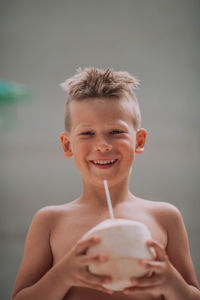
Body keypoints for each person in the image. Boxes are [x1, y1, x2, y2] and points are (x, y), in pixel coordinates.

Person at [12, 67, 200, 300]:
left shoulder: (165, 217)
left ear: (139, 141)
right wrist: (63, 275)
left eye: (115, 131)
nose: (102, 145)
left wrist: (171, 282)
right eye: (87, 133)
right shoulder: (50, 220)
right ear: (67, 145)